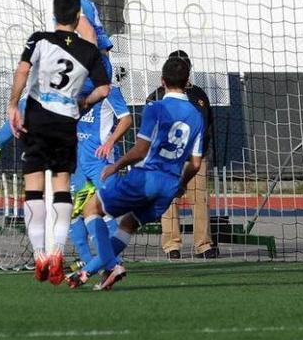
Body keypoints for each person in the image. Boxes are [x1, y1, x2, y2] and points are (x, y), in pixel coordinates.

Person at [67, 56, 204, 291]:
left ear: (162, 81)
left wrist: (116, 165)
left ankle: (112, 265)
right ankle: (87, 272)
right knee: (128, 224)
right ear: (188, 82)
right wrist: (182, 184)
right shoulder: (196, 116)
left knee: (91, 208)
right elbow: (196, 163)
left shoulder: (156, 108)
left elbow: (140, 151)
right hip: (169, 186)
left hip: (146, 178)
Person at [0, 0, 118, 157]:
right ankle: (81, 176)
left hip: (93, 67)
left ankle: (1, 141)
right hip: (99, 65)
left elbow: (88, 33)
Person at [9, 0, 110, 285]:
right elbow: (104, 89)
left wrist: (13, 105)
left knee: (33, 187)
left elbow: (22, 71)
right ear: (78, 17)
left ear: (56, 16)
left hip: (37, 118)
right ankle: (56, 252)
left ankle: (39, 254)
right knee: (63, 186)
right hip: (66, 121)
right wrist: (84, 103)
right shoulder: (89, 51)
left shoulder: (39, 39)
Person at [146, 51, 216, 259]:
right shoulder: (156, 97)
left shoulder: (199, 96)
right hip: (169, 160)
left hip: (195, 158)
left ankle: (203, 245)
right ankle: (172, 245)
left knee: (200, 201)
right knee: (168, 202)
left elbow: (207, 125)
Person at [67, 79, 132, 274]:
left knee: (105, 210)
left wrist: (110, 142)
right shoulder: (75, 85)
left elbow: (126, 119)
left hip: (101, 161)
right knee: (75, 212)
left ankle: (113, 261)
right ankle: (89, 261)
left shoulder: (109, 89)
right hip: (78, 160)